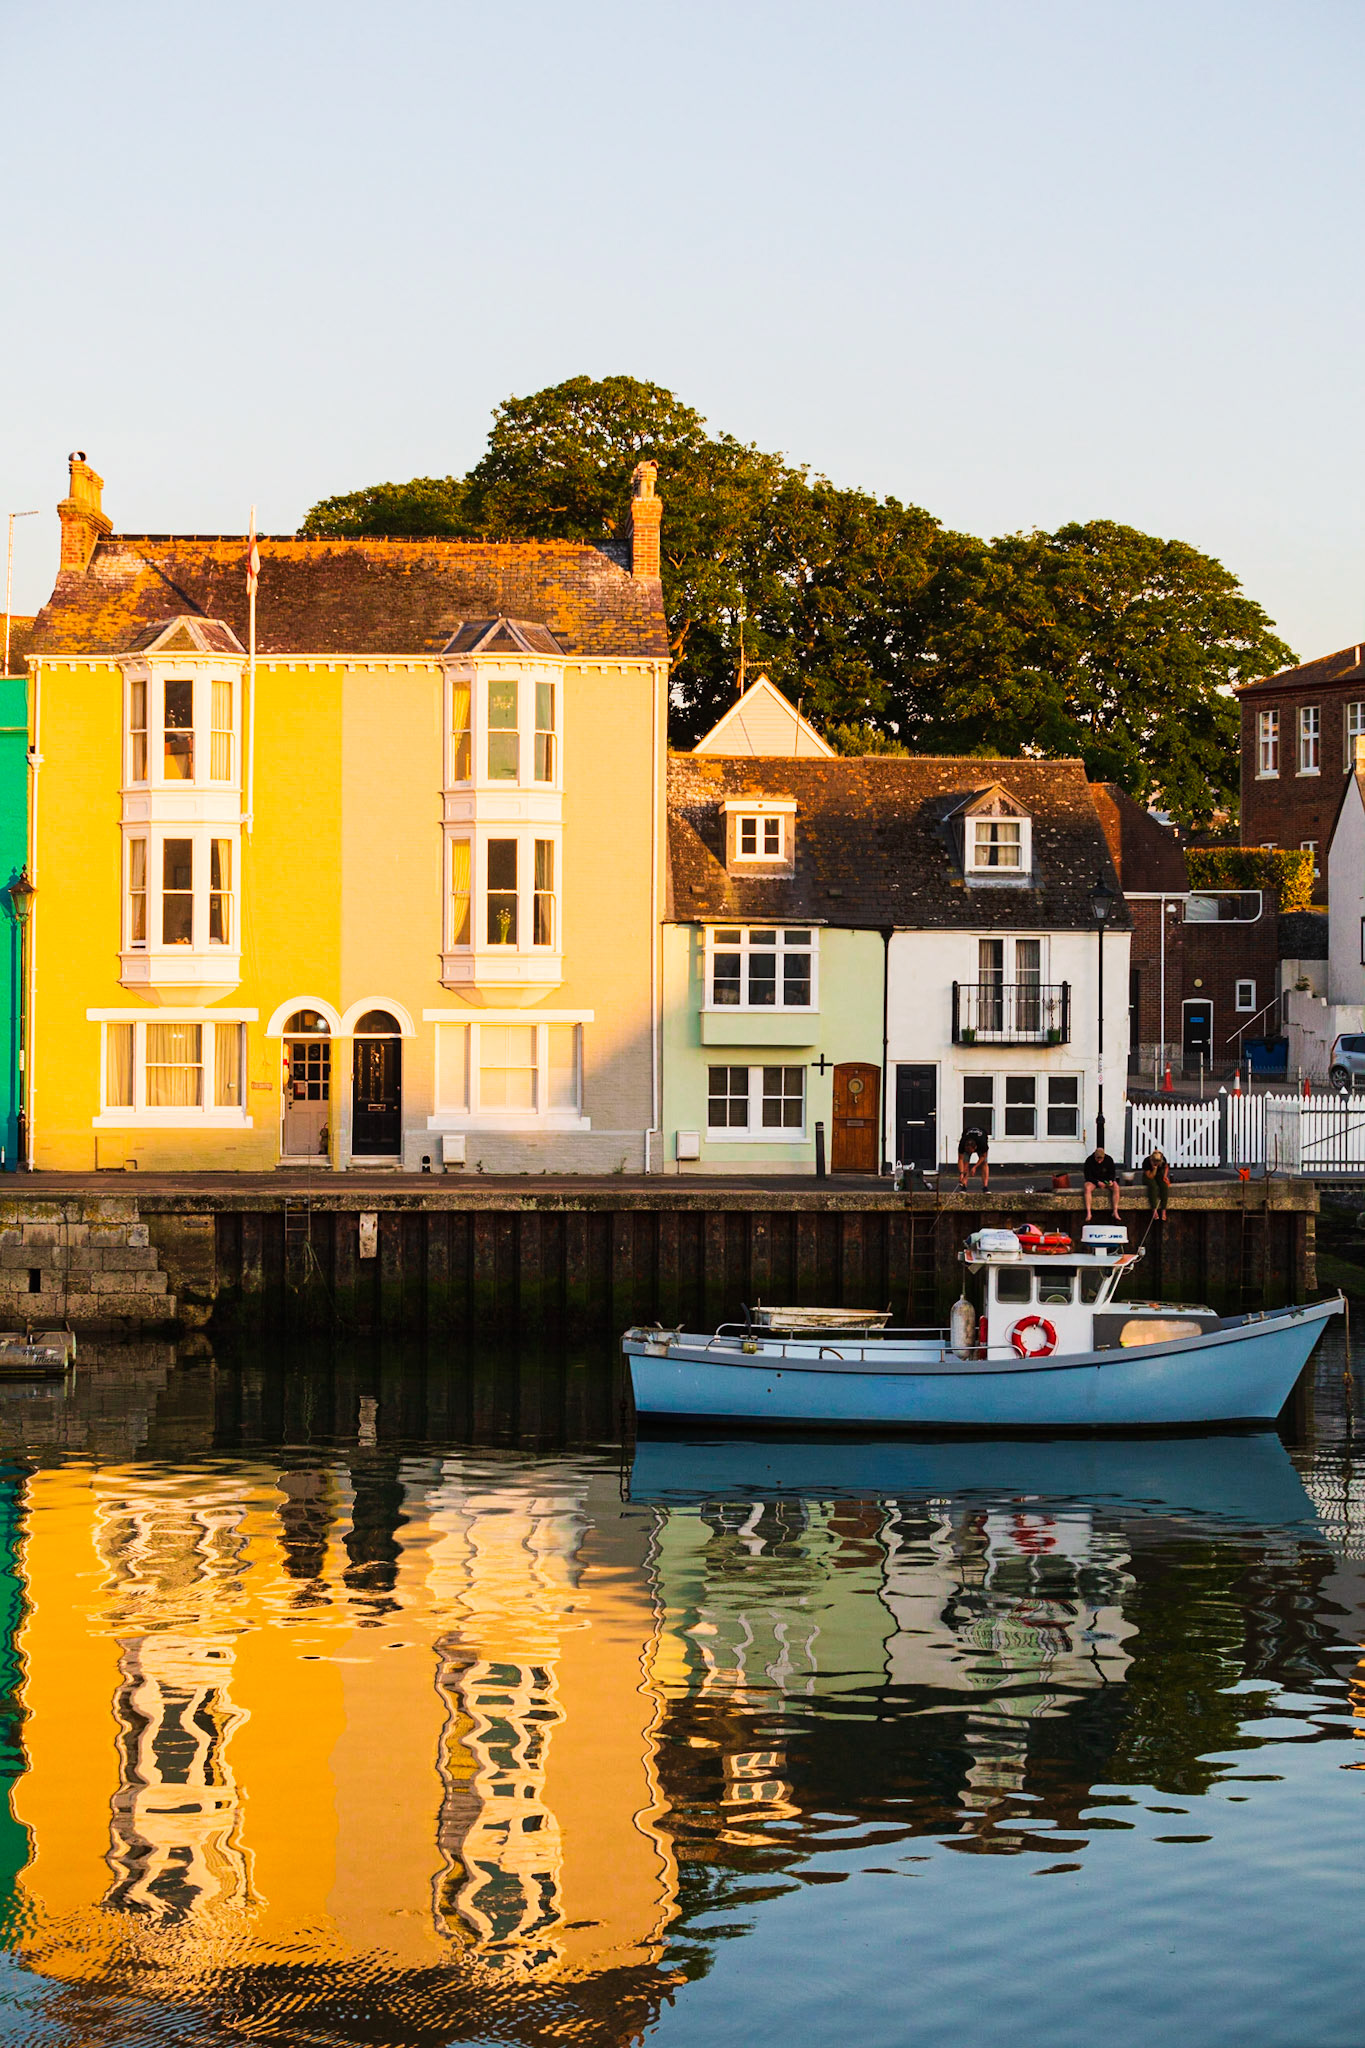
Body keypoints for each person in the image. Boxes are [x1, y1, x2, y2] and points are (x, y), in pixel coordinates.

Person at [1083, 1142, 1121, 1221]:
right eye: (1097, 1159)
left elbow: (1112, 1173)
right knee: (1087, 1188)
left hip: (1106, 1180)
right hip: (1094, 1180)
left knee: (1116, 1187)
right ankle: (1089, 1212)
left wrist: (1110, 1180)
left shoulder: (1109, 1160)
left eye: (1101, 1159)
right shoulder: (1089, 1161)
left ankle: (1115, 1210)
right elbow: (1088, 1176)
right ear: (1094, 1156)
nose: (1099, 1161)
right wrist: (1097, 1182)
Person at [1142, 1146, 1171, 1223]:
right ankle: (1154, 1209)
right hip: (1149, 1176)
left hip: (1159, 1175)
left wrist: (1165, 1176)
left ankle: (1164, 1209)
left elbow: (1166, 1167)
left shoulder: (1163, 1160)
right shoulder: (1146, 1162)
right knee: (1153, 1187)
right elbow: (1150, 1176)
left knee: (1164, 1186)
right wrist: (1154, 1168)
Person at [958, 1125, 989, 1191]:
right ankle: (964, 1186)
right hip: (967, 1133)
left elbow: (983, 1156)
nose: (969, 1153)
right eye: (967, 1151)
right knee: (965, 1164)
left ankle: (985, 1186)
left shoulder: (982, 1143)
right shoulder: (962, 1144)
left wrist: (975, 1167)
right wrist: (961, 1173)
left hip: (982, 1136)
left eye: (970, 1151)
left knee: (984, 1163)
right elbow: (960, 1159)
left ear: (975, 1148)